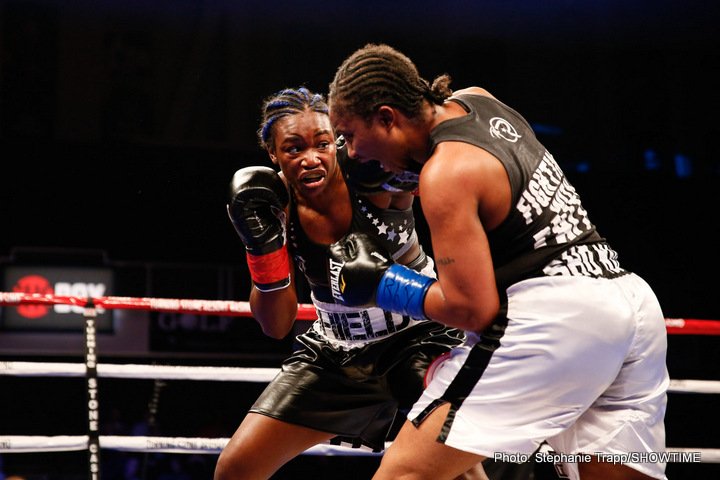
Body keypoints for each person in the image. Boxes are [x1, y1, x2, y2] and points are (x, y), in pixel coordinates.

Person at [326, 44, 669, 480]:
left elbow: (472, 309)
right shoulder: (479, 99)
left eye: (350, 134)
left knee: (402, 474)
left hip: (558, 317)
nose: (351, 153)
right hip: (629, 300)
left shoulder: (445, 174)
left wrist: (382, 284)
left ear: (387, 117)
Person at [213, 87, 487, 480]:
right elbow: (276, 326)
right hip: (336, 350)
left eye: (322, 143)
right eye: (293, 149)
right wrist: (262, 248)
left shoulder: (372, 175)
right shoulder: (270, 204)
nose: (311, 159)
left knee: (451, 469)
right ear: (273, 155)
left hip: (420, 336)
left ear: (336, 140)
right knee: (236, 469)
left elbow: (432, 150)